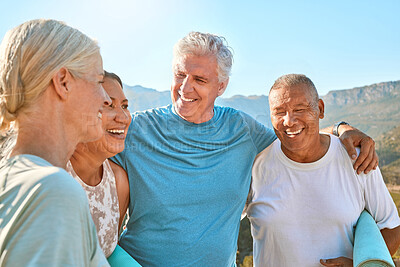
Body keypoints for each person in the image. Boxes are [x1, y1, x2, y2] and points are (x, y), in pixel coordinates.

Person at [111, 32, 378, 266]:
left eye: (200, 80)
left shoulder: (240, 129)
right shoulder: (135, 129)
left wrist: (341, 129)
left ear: (221, 86)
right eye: (180, 75)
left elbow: (295, 135)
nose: (185, 87)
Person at [245, 74, 400, 267]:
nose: (289, 121)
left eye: (299, 109)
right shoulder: (253, 166)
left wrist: (357, 265)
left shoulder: (357, 158)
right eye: (279, 112)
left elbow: (391, 227)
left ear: (319, 109)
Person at [0, 19, 110, 266]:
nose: (105, 98)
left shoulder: (18, 179)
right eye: (98, 81)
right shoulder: (51, 190)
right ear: (63, 82)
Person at [66, 71, 140, 266]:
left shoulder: (118, 182)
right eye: (107, 105)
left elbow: (108, 252)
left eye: (124, 106)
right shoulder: (50, 173)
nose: (123, 117)